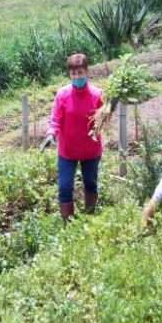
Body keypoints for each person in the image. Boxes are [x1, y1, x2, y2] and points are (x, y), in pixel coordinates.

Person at [41, 53, 103, 221]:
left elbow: (103, 118)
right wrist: (51, 134)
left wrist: (110, 108)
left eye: (80, 72)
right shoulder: (62, 95)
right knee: (64, 186)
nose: (77, 77)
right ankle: (68, 224)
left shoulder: (98, 95)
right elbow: (56, 118)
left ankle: (90, 216)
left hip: (91, 150)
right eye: (73, 74)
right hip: (67, 150)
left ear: (87, 72)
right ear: (69, 74)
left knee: (90, 183)